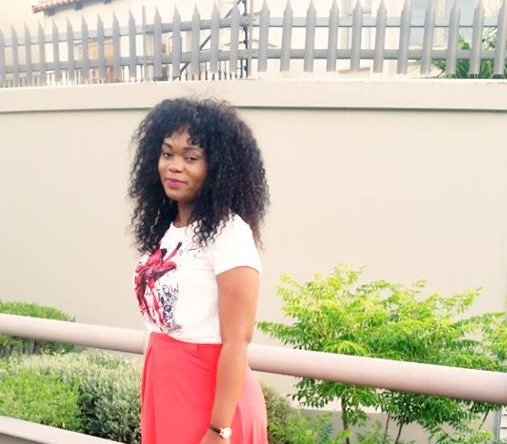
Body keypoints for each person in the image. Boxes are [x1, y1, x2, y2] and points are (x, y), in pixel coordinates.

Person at [128, 97, 270, 444]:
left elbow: (237, 339)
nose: (174, 166)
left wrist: (220, 429)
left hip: (213, 403)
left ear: (217, 167)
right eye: (167, 153)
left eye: (191, 157)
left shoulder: (230, 234)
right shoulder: (167, 231)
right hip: (166, 388)